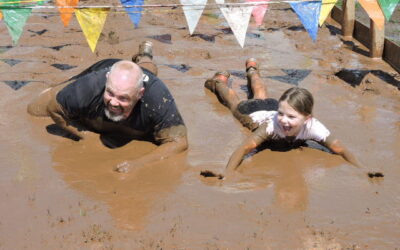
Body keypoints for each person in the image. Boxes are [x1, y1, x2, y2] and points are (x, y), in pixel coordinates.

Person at [28, 41, 188, 173]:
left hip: (145, 79)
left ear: (140, 94)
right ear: (106, 82)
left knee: (147, 71)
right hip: (103, 67)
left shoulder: (157, 99)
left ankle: (145, 56)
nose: (113, 102)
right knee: (34, 109)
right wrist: (89, 138)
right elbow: (53, 107)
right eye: (110, 94)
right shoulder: (92, 85)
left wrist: (137, 164)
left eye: (123, 98)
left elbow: (178, 142)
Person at [203, 58, 360, 178]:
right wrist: (227, 174)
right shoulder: (272, 126)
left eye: (291, 117)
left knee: (260, 90)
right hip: (250, 113)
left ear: (307, 119)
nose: (284, 121)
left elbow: (341, 150)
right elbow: (244, 149)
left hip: (272, 106)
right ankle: (219, 81)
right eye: (282, 115)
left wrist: (362, 170)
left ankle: (252, 68)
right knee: (232, 100)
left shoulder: (314, 127)